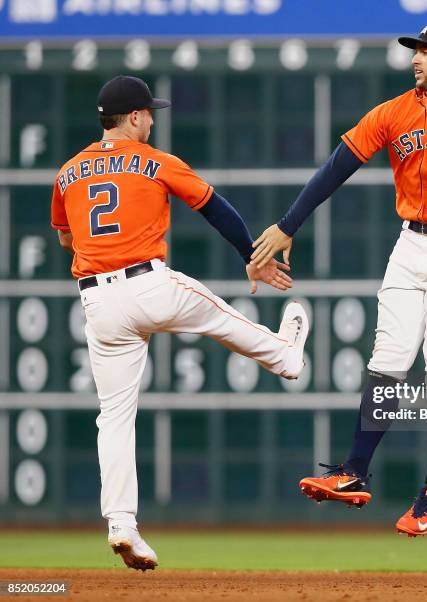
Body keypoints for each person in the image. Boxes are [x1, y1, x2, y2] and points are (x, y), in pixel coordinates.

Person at [251, 23, 427, 537]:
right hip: (411, 242)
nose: (416, 58)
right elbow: (337, 167)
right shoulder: (395, 111)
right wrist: (288, 225)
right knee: (388, 358)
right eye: (414, 50)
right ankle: (354, 470)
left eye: (425, 50)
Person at [50, 75, 310, 570]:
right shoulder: (153, 161)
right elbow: (216, 208)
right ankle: (286, 355)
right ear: (132, 118)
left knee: (114, 417)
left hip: (97, 304)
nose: (152, 118)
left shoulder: (68, 172)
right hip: (147, 283)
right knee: (217, 315)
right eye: (149, 112)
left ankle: (122, 525)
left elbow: (66, 239)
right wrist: (250, 256)